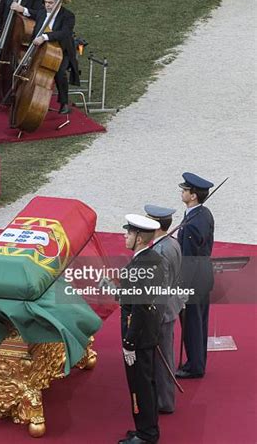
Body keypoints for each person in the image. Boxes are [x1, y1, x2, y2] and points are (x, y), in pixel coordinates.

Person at [119, 214, 164, 444]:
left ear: (138, 238)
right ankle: (148, 429)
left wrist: (129, 342)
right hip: (148, 334)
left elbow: (140, 307)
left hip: (137, 335)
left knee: (140, 386)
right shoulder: (152, 258)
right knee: (148, 382)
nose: (124, 235)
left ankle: (146, 434)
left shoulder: (141, 265)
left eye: (128, 232)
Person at [144, 205, 184, 414]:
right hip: (172, 306)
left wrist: (153, 315)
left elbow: (159, 288)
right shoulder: (172, 243)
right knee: (163, 356)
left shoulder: (159, 251)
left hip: (162, 311)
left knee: (162, 359)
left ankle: (164, 401)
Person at [175, 172, 215, 379]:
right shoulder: (204, 213)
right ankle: (198, 361)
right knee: (200, 321)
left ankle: (194, 366)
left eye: (185, 190)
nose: (182, 192)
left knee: (192, 324)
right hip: (204, 274)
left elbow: (188, 258)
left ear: (193, 196)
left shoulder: (191, 223)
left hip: (193, 278)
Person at [32, 0, 80, 115]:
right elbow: (36, 29)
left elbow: (64, 33)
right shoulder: (41, 13)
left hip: (62, 50)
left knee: (59, 72)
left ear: (58, 2)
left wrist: (45, 37)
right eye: (46, 2)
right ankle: (33, 99)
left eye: (50, 3)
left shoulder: (68, 16)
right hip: (42, 49)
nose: (47, 5)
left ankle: (64, 103)